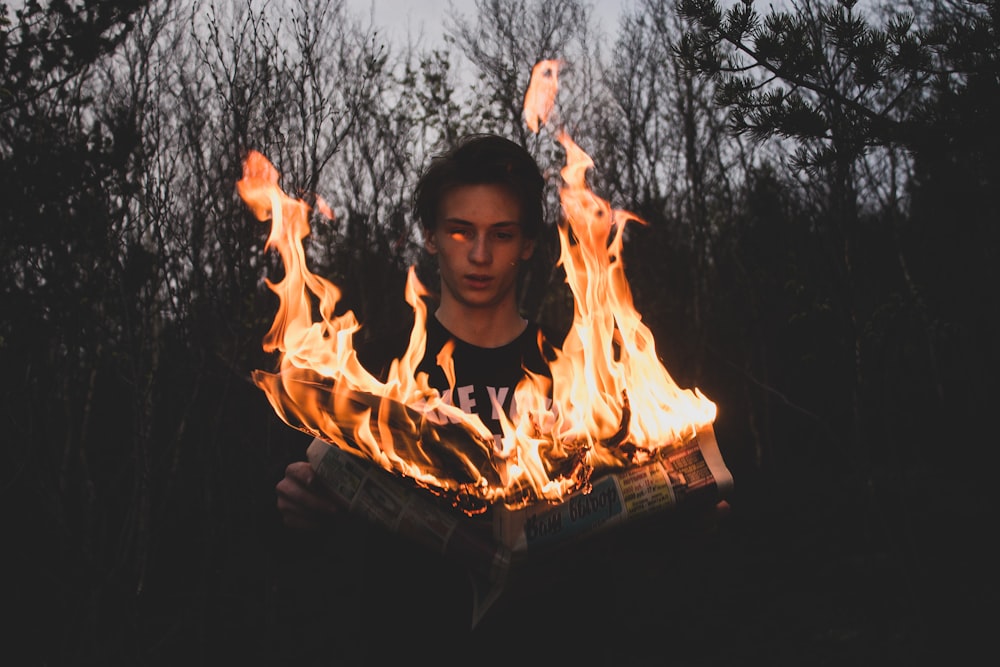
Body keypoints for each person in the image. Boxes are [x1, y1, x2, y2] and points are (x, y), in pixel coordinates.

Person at [273, 134, 726, 665]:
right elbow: (312, 554)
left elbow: (624, 550)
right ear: (432, 237)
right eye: (461, 231)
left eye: (502, 235)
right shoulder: (373, 373)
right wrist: (294, 503)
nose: (481, 255)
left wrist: (683, 521)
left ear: (529, 243)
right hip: (406, 645)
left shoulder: (579, 372)